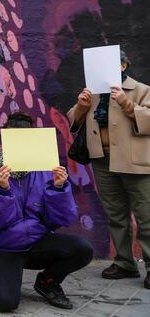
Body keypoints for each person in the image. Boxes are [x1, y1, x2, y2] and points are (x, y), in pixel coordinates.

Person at [0, 113, 93, 311]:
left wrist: (58, 189)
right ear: (5, 142)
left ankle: (47, 281)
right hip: (1, 247)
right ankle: (4, 275)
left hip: (36, 243)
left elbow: (64, 218)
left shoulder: (45, 170)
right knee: (5, 303)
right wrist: (2, 191)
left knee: (82, 248)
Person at [68, 51, 150, 289]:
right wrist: (82, 106)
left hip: (135, 162)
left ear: (123, 65)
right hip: (103, 161)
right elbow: (73, 119)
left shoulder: (140, 89)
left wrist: (126, 104)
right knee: (115, 215)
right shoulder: (93, 92)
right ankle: (125, 262)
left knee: (146, 217)